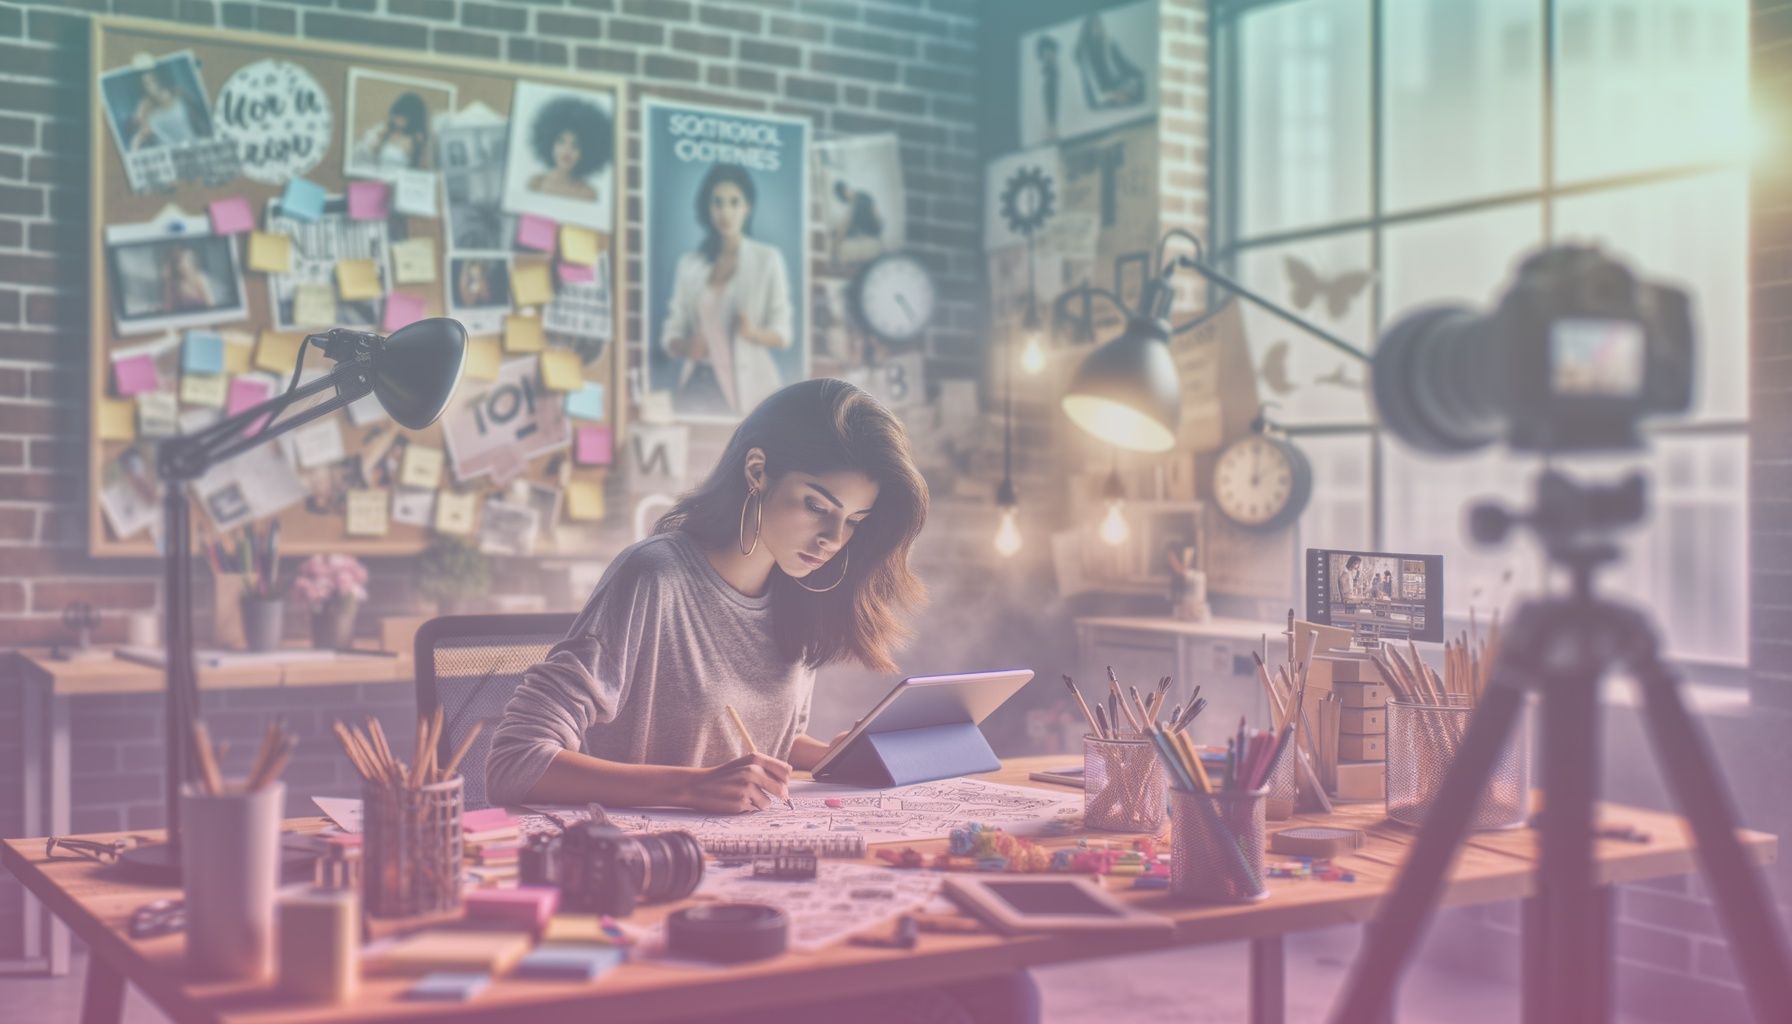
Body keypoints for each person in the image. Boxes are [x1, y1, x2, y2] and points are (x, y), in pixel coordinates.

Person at [489, 379, 1036, 1024]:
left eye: (853, 521)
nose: (834, 537)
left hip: (762, 866)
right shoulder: (654, 577)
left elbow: (755, 746)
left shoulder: (797, 594)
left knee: (1005, 988)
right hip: (661, 881)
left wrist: (826, 752)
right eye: (816, 505)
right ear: (757, 472)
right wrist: (692, 789)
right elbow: (515, 763)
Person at [660, 163, 793, 417]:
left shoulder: (767, 259)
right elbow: (671, 332)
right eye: (717, 203)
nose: (726, 212)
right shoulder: (690, 264)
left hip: (749, 387)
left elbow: (783, 334)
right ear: (707, 208)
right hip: (699, 381)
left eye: (734, 202)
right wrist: (686, 346)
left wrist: (752, 332)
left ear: (748, 207)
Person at [526, 95, 612, 201]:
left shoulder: (588, 194)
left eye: (575, 145)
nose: (567, 150)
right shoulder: (536, 184)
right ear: (549, 143)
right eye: (561, 141)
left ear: (587, 152)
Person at [1073, 11, 1144, 110]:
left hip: (1113, 83)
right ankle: (1116, 98)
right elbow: (1090, 81)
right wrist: (1108, 93)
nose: (1099, 27)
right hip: (1098, 90)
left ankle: (1120, 98)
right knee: (1114, 96)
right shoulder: (1085, 52)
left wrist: (1136, 73)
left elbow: (1122, 63)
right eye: (1095, 25)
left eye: (1100, 24)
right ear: (1088, 29)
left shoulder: (1109, 44)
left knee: (1136, 82)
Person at [351, 91, 429, 173]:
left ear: (414, 117)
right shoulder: (383, 132)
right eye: (398, 112)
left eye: (405, 115)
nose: (400, 118)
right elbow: (363, 154)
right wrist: (376, 139)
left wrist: (420, 147)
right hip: (377, 179)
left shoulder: (416, 140)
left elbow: (422, 171)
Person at [128, 65, 200, 150]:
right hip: (169, 154)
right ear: (143, 88)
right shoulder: (144, 108)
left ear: (160, 80)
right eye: (147, 84)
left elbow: (197, 118)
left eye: (154, 80)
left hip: (193, 145)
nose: (154, 85)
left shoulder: (178, 93)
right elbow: (140, 135)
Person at [160, 243, 215, 312]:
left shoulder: (200, 279)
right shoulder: (172, 285)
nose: (181, 265)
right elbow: (168, 309)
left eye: (186, 261)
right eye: (178, 262)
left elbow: (210, 305)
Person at [1034, 34, 1060, 138]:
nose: (1049, 54)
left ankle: (1052, 128)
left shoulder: (1056, 66)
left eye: (1051, 51)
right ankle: (1050, 128)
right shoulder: (1043, 68)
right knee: (1049, 108)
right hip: (1048, 87)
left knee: (1053, 108)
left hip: (1053, 86)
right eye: (1046, 52)